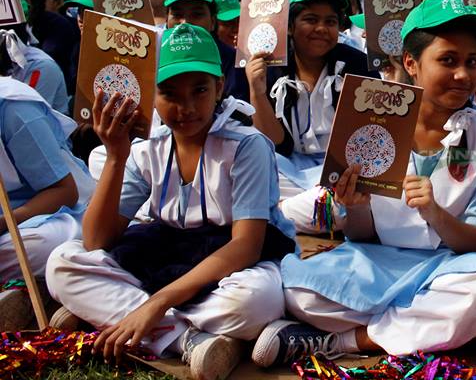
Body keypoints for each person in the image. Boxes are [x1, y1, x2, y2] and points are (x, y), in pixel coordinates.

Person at [253, 0, 476, 366]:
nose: (463, 75)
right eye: (448, 61)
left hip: (450, 268)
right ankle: (449, 327)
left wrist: (437, 214)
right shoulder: (370, 121)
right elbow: (362, 235)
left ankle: (347, 340)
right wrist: (354, 208)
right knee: (294, 291)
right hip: (376, 261)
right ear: (411, 63)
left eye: (472, 62)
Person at [46, 24, 295, 379]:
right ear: (152, 94)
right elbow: (96, 241)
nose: (187, 107)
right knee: (62, 264)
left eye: (200, 90)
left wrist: (157, 303)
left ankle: (124, 317)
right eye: (170, 93)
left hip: (230, 260)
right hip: (167, 250)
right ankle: (188, 339)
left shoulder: (246, 144)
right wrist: (116, 156)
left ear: (219, 88)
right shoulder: (147, 147)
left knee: (257, 301)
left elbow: (245, 246)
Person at [245, 0, 376, 233]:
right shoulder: (271, 66)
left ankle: (275, 215)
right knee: (250, 172)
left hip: (343, 172)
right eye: (310, 20)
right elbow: (275, 143)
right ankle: (292, 213)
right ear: (290, 27)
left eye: (330, 22)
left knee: (357, 198)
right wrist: (257, 91)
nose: (321, 29)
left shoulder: (357, 64)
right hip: (288, 172)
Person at [0, 72, 93, 328]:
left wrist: (5, 222)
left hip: (53, 215)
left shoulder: (13, 107)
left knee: (41, 245)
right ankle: (31, 294)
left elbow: (63, 191)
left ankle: (36, 294)